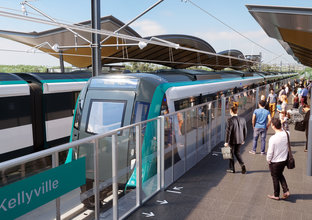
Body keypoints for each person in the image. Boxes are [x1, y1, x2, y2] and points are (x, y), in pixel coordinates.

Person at [267, 118, 290, 200]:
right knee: (280, 174)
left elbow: (270, 153)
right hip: (284, 160)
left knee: (275, 177)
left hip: (275, 161)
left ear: (273, 126)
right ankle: (286, 191)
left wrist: (268, 160)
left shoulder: (273, 138)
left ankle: (276, 195)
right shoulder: (287, 134)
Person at [224, 106, 247, 174]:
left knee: (231, 154)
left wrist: (226, 141)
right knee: (237, 153)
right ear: (237, 111)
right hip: (240, 139)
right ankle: (242, 165)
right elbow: (245, 130)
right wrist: (243, 139)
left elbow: (228, 131)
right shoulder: (243, 119)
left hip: (232, 140)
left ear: (231, 111)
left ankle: (232, 169)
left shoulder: (230, 120)